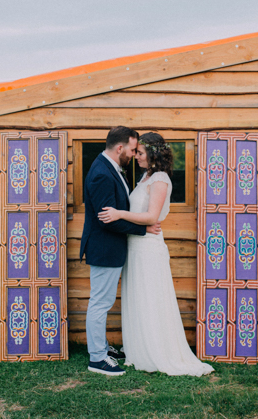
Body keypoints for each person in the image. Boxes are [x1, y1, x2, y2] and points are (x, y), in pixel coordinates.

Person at [99, 132, 214, 376]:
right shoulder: (145, 178)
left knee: (151, 298)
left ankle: (158, 351)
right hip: (136, 246)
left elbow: (152, 217)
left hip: (149, 248)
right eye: (136, 152)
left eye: (140, 152)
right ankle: (139, 348)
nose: (135, 156)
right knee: (138, 297)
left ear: (152, 154)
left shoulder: (160, 179)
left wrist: (119, 214)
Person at [80, 126, 161, 376]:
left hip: (111, 248)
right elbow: (108, 219)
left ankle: (103, 348)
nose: (134, 154)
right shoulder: (102, 174)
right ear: (119, 148)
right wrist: (144, 230)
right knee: (100, 302)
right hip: (104, 248)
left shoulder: (111, 168)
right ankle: (97, 358)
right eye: (132, 149)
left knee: (103, 300)